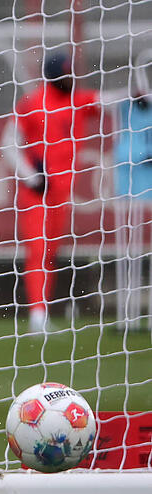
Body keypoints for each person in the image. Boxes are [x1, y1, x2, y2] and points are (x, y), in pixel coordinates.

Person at [9, 52, 100, 333]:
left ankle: (42, 310)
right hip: (37, 192)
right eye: (64, 74)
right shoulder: (33, 103)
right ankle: (37, 315)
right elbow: (7, 143)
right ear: (52, 77)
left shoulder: (78, 100)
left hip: (61, 193)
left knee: (50, 251)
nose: (69, 79)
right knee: (37, 250)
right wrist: (30, 175)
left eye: (71, 74)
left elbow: (109, 99)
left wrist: (138, 95)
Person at [112, 52, 152, 330]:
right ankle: (127, 316)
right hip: (130, 173)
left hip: (145, 171)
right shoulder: (124, 106)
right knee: (129, 244)